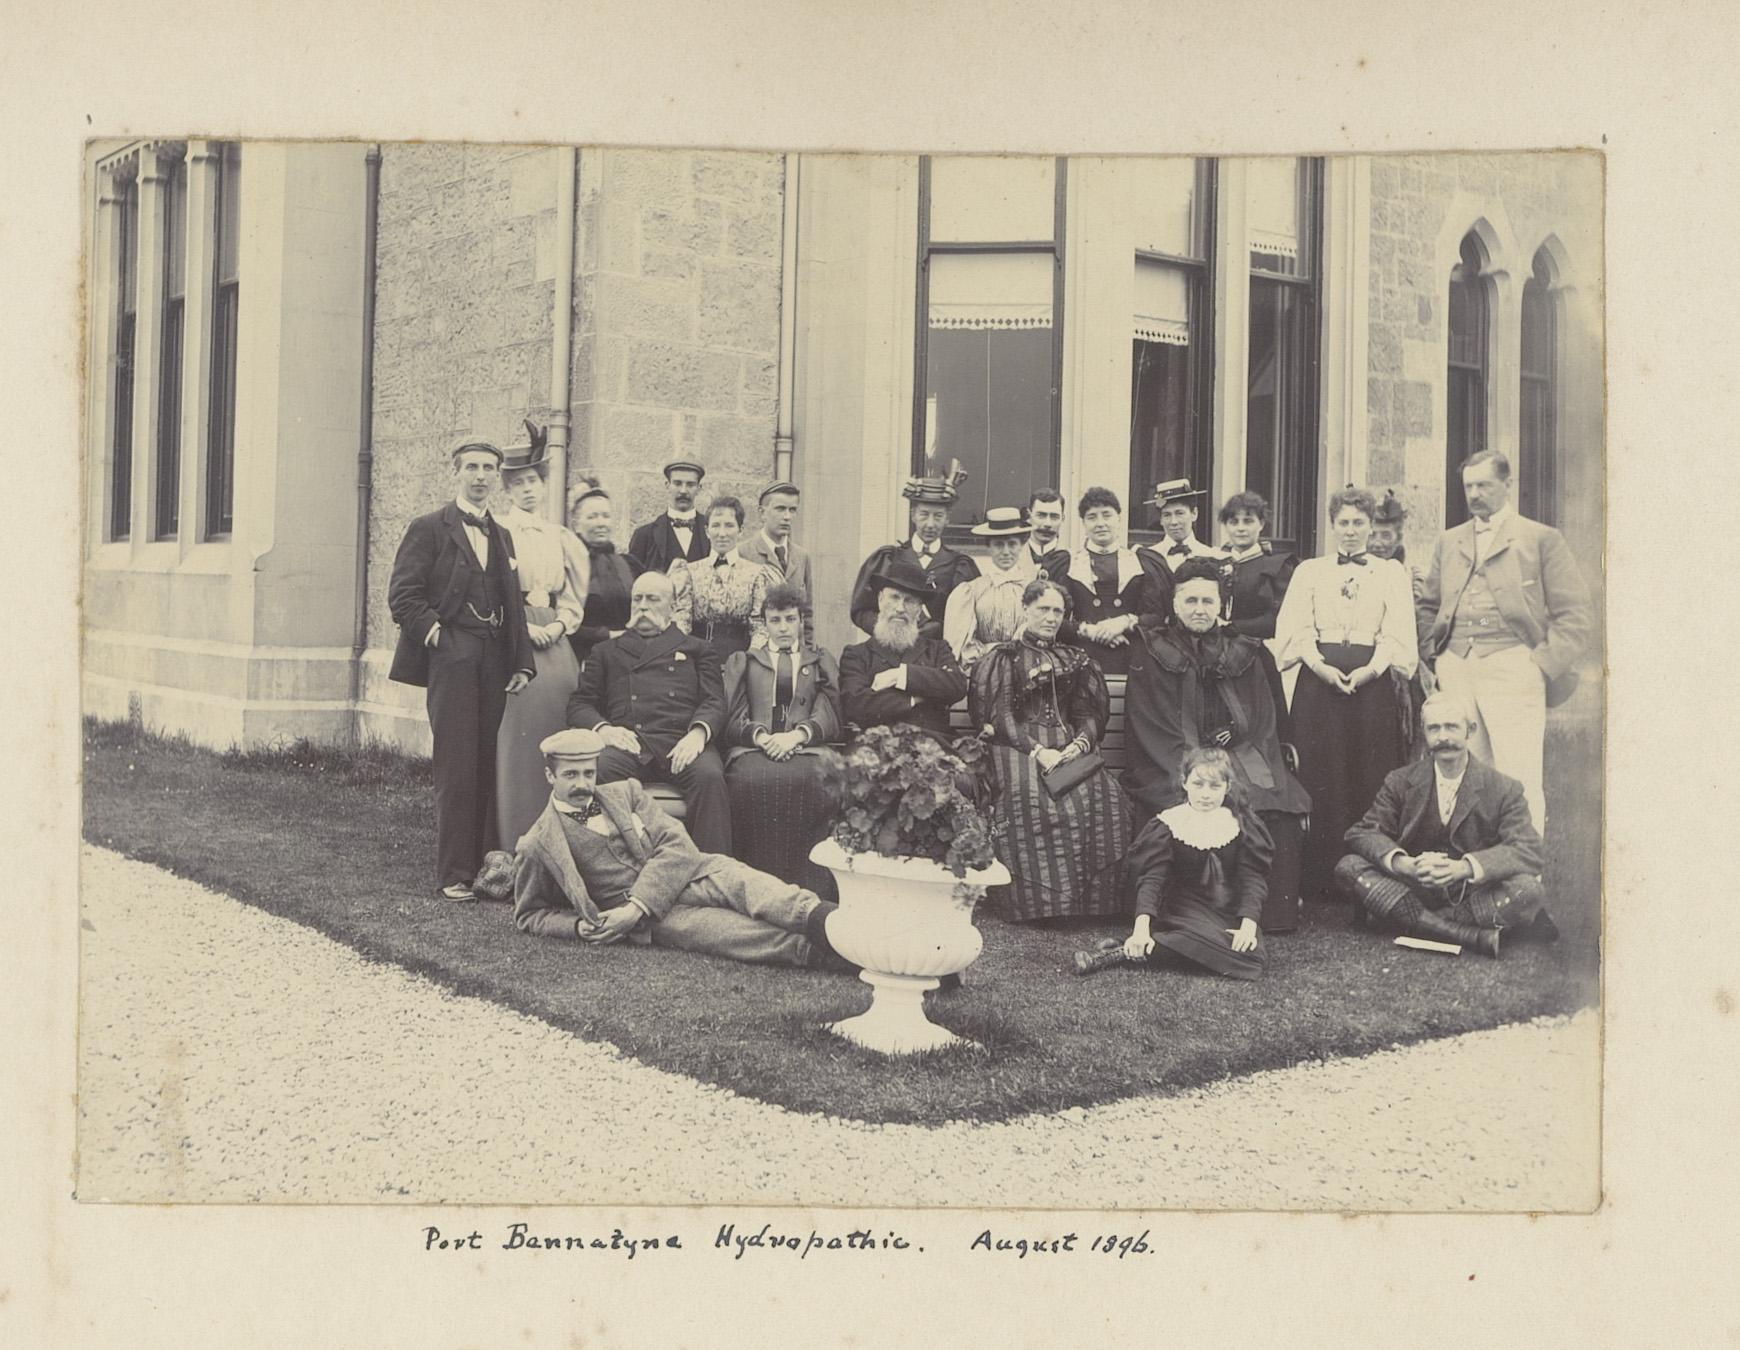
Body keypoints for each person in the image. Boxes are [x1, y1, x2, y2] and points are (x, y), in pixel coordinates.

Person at [512, 729, 853, 971]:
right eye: (570, 775)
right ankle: (836, 956)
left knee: (753, 886)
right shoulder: (537, 843)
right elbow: (529, 915)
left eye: (589, 773)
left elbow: (676, 841)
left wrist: (635, 905)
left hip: (692, 873)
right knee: (731, 934)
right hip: (657, 918)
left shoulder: (626, 793)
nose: (582, 784)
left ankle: (834, 923)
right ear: (549, 776)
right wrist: (576, 928)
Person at [1123, 557, 1311, 932]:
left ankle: (1266, 913)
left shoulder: (1246, 650)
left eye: (1208, 601)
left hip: (1240, 753)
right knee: (1186, 793)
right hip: (1171, 757)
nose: (1199, 609)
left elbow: (1264, 716)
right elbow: (1149, 720)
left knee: (1273, 800)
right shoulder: (1152, 650)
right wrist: (1200, 761)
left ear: (1221, 605)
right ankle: (1191, 910)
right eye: (1190, 600)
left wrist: (1236, 733)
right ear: (1175, 604)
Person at [387, 440, 536, 901]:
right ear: (456, 473)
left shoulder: (502, 534)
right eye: (471, 467)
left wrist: (521, 661)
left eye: (488, 468)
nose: (480, 476)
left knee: (487, 761)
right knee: (456, 763)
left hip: (494, 659)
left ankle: (484, 869)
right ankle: (453, 873)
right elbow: (403, 596)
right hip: (452, 658)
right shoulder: (429, 528)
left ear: (496, 477)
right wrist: (438, 638)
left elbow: (514, 604)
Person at [1416, 450, 1593, 834]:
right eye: (1468, 486)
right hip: (1456, 667)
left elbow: (1576, 614)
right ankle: (1474, 861)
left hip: (1514, 666)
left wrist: (1541, 664)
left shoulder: (1540, 538)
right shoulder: (1449, 541)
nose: (1474, 494)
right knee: (1464, 770)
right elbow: (1428, 605)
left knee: (1518, 773)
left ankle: (1522, 864)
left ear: (1508, 485)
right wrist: (1435, 656)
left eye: (1483, 485)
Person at [1272, 485, 1418, 900]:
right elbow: (1296, 628)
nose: (1351, 530)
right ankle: (1320, 876)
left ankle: (1368, 872)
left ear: (1371, 526)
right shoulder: (1310, 571)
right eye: (1343, 523)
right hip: (1319, 683)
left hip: (1371, 685)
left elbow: (1398, 631)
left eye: (1358, 522)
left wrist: (1371, 670)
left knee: (1370, 769)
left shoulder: (1390, 572)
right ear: (1332, 526)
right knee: (1322, 770)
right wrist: (1321, 666)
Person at [1335, 693, 1553, 957]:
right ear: (1423, 732)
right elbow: (1364, 831)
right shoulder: (1400, 780)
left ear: (1470, 730)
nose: (1443, 737)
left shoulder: (1504, 788)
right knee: (1348, 866)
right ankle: (1464, 933)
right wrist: (1406, 864)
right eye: (1434, 728)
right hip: (1415, 887)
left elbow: (1529, 849)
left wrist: (1463, 868)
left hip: (1470, 893)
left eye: (1452, 727)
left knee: (1527, 889)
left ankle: (1410, 919)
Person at [968, 576, 1131, 922]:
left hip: (1069, 747)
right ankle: (1041, 907)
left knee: (1104, 794)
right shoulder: (1005, 657)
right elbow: (1001, 717)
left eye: (1058, 611)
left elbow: (1088, 714)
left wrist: (1080, 744)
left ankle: (1093, 907)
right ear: (1025, 609)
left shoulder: (1075, 658)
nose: (1050, 617)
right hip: (1017, 747)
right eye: (1043, 609)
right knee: (1029, 795)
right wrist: (1038, 752)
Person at [566, 570, 733, 856]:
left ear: (673, 607)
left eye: (652, 599)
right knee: (597, 770)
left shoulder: (698, 649)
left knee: (710, 777)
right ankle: (603, 867)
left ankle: (711, 869)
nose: (642, 606)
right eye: (637, 599)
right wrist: (605, 730)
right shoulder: (606, 651)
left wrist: (697, 734)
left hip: (682, 742)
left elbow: (714, 701)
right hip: (629, 744)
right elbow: (579, 704)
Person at [1074, 748, 1271, 980]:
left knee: (1250, 955)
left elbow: (1253, 880)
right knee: (1204, 944)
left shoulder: (1240, 823)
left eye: (1214, 786)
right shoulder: (1171, 822)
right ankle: (1119, 953)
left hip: (1226, 912)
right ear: (1185, 782)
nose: (1205, 794)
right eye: (1198, 784)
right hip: (1183, 909)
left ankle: (1128, 947)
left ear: (1227, 787)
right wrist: (1141, 929)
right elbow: (1152, 879)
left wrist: (1247, 926)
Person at [493, 425, 589, 847]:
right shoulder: (498, 530)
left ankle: (564, 838)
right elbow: (493, 590)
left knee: (560, 724)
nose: (528, 490)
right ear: (507, 490)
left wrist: (557, 625)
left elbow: (571, 597)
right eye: (519, 484)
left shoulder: (559, 536)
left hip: (554, 638)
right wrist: (522, 628)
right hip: (513, 636)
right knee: (517, 739)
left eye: (533, 481)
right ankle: (516, 837)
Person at [722, 585, 845, 902]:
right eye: (775, 620)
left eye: (790, 619)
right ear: (764, 623)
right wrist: (763, 738)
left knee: (820, 782)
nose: (783, 628)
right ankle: (756, 892)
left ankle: (813, 893)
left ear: (801, 621)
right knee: (747, 781)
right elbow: (733, 714)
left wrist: (796, 735)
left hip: (807, 747)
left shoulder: (818, 660)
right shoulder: (746, 661)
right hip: (755, 748)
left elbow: (831, 710)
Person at [839, 556, 969, 740]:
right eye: (894, 598)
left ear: (919, 609)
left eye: (909, 601)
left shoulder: (937, 649)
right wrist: (915, 699)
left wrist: (900, 676)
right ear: (880, 600)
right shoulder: (856, 655)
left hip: (933, 745)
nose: (900, 608)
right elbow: (856, 705)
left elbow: (956, 685)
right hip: (877, 746)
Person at [848, 462, 979, 639]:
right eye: (924, 515)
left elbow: (968, 616)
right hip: (890, 647)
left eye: (938, 516)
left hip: (936, 651)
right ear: (913, 515)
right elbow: (861, 610)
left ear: (947, 518)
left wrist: (939, 629)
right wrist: (889, 630)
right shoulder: (888, 558)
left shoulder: (960, 566)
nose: (930, 524)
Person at [1217, 490, 1297, 732]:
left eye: (1248, 521)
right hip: (1215, 655)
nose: (1241, 528)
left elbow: (1276, 620)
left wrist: (1232, 627)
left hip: (1255, 657)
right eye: (1234, 522)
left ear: (1261, 524)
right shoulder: (1214, 565)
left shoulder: (1275, 567)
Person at [669, 495, 776, 659]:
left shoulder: (756, 574)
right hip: (698, 657)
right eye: (716, 526)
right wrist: (679, 655)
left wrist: (750, 658)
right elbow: (682, 620)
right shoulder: (690, 572)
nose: (722, 533)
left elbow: (760, 626)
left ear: (740, 530)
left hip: (740, 658)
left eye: (729, 526)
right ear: (707, 531)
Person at [1056, 486, 1145, 677]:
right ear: (1083, 523)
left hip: (1131, 657)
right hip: (1083, 657)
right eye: (1092, 517)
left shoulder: (1139, 560)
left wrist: (1123, 622)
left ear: (1119, 519)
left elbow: (1156, 616)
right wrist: (1090, 630)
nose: (1100, 524)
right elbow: (1053, 617)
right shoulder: (1068, 562)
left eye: (1107, 515)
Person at [1368, 489, 1427, 759]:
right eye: (1372, 535)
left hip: (1402, 672)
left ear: (1398, 538)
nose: (1377, 543)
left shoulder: (1412, 576)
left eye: (1385, 536)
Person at [943, 506, 1040, 669]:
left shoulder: (1034, 590)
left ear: (1021, 546)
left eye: (1012, 544)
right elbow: (961, 645)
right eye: (998, 545)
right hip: (985, 671)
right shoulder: (972, 591)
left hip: (1025, 669)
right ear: (988, 547)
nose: (1006, 552)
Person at [565, 482, 641, 668]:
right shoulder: (567, 565)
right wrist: (607, 635)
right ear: (576, 525)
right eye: (592, 517)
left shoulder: (628, 563)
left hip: (626, 658)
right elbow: (561, 621)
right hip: (583, 658)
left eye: (606, 516)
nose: (601, 523)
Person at [1135, 478, 1220, 624]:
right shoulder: (1147, 557)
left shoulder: (1213, 556)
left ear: (1194, 514)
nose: (1173, 522)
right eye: (1167, 515)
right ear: (1160, 520)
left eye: (1179, 513)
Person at [739, 481, 815, 645]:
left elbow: (807, 615)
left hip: (795, 652)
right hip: (758, 653)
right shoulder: (743, 553)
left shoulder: (802, 557)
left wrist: (808, 651)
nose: (787, 517)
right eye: (780, 509)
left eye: (792, 510)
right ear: (762, 513)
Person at [627, 459, 711, 574]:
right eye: (677, 483)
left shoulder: (713, 532)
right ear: (667, 485)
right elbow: (632, 580)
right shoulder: (644, 535)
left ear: (699, 488)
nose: (683, 490)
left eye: (690, 485)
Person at [1026, 488, 1071, 577]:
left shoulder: (1073, 561)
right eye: (1041, 516)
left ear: (1063, 519)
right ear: (1029, 516)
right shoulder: (1013, 557)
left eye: (1054, 517)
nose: (1048, 524)